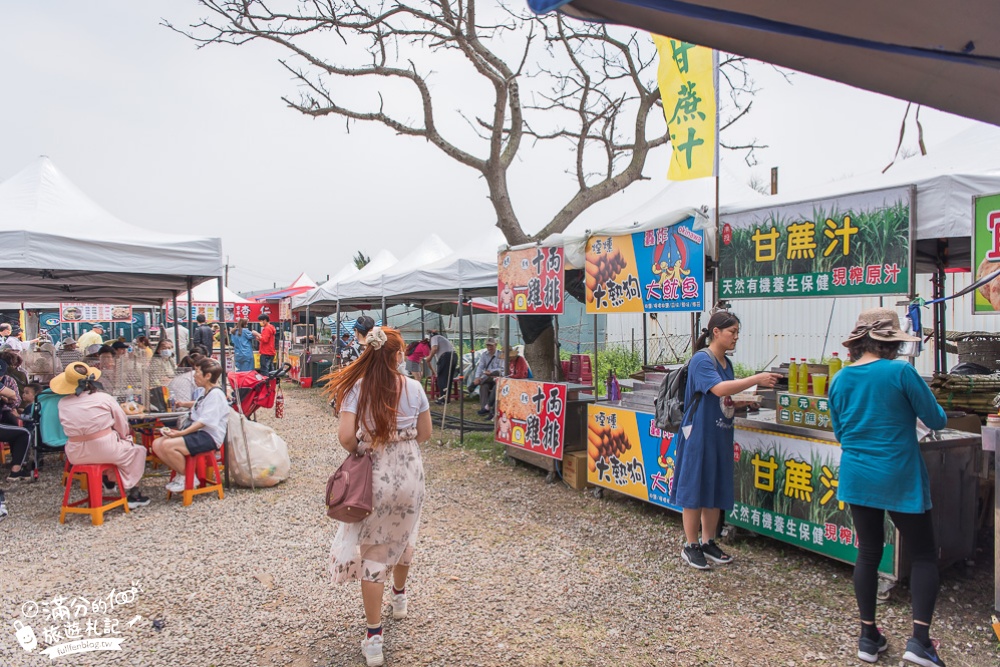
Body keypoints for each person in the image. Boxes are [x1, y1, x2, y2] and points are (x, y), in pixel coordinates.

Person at [828, 308, 948, 667]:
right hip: (899, 475)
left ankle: (868, 636)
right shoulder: (901, 372)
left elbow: (840, 431)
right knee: (924, 554)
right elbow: (936, 418)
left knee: (868, 552)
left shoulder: (840, 379)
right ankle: (920, 642)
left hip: (857, 474)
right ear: (890, 342)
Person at [323, 326, 431, 667]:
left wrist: (364, 447)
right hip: (411, 473)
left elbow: (345, 437)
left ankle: (373, 639)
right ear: (398, 355)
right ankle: (399, 598)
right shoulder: (414, 387)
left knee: (374, 551)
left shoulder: (357, 387)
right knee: (404, 535)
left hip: (375, 474)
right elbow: (425, 433)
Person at [668, 311, 780, 570]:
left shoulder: (726, 364)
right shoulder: (702, 360)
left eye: (738, 332)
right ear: (715, 332)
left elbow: (723, 397)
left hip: (720, 433)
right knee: (694, 489)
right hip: (698, 435)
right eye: (732, 332)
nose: (736, 337)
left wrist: (744, 400)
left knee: (715, 487)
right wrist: (756, 379)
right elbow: (718, 389)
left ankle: (709, 541)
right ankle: (691, 544)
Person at [52, 361, 150, 507]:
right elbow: (122, 424)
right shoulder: (104, 398)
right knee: (136, 450)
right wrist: (125, 438)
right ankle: (132, 493)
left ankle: (109, 481)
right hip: (106, 448)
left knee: (116, 451)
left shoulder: (62, 403)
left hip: (76, 453)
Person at [152, 357, 229, 494]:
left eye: (197, 372)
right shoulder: (205, 392)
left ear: (208, 376)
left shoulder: (216, 394)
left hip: (208, 437)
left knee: (167, 445)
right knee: (157, 444)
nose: (194, 375)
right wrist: (182, 404)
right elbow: (199, 404)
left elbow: (204, 421)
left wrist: (181, 433)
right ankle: (182, 474)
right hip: (198, 433)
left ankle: (188, 477)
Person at [423, 328, 458, 404]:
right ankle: (447, 399)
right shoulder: (442, 338)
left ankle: (443, 399)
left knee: (441, 378)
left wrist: (429, 357)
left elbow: (434, 349)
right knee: (448, 378)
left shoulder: (434, 338)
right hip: (454, 356)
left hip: (446, 357)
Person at [471, 338, 503, 415]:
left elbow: (503, 369)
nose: (489, 348)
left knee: (486, 380)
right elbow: (480, 367)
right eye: (488, 346)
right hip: (487, 378)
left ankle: (474, 384)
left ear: (495, 345)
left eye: (491, 346)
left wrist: (491, 372)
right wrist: (477, 377)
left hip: (497, 376)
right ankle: (484, 408)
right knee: (484, 386)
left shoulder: (501, 354)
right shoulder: (484, 355)